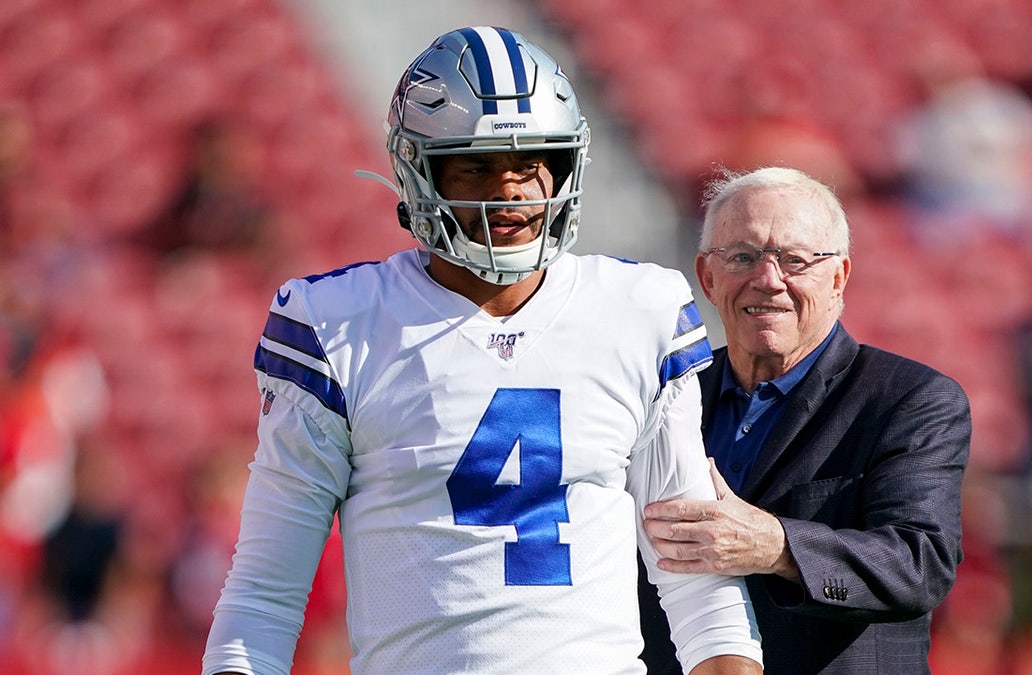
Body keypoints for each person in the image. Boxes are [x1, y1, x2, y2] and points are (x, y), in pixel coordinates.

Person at [202, 26, 762, 675]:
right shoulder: (337, 326)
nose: (511, 190)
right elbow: (267, 593)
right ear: (420, 169)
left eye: (530, 163)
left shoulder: (639, 311)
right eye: (477, 165)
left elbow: (697, 577)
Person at [637, 167, 971, 673]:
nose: (768, 280)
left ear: (838, 278)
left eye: (794, 260)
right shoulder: (662, 398)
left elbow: (918, 564)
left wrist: (775, 545)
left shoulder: (910, 400)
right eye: (743, 257)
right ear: (707, 277)